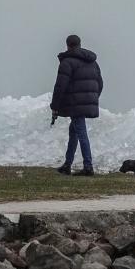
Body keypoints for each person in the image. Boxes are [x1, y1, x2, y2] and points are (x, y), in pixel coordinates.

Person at [51, 35, 103, 176]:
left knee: (81, 133)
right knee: (73, 132)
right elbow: (100, 83)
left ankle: (88, 166)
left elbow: (60, 86)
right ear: (80, 44)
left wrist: (54, 106)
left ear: (67, 45)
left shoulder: (67, 62)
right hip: (85, 102)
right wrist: (91, 98)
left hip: (75, 104)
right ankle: (67, 165)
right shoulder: (93, 62)